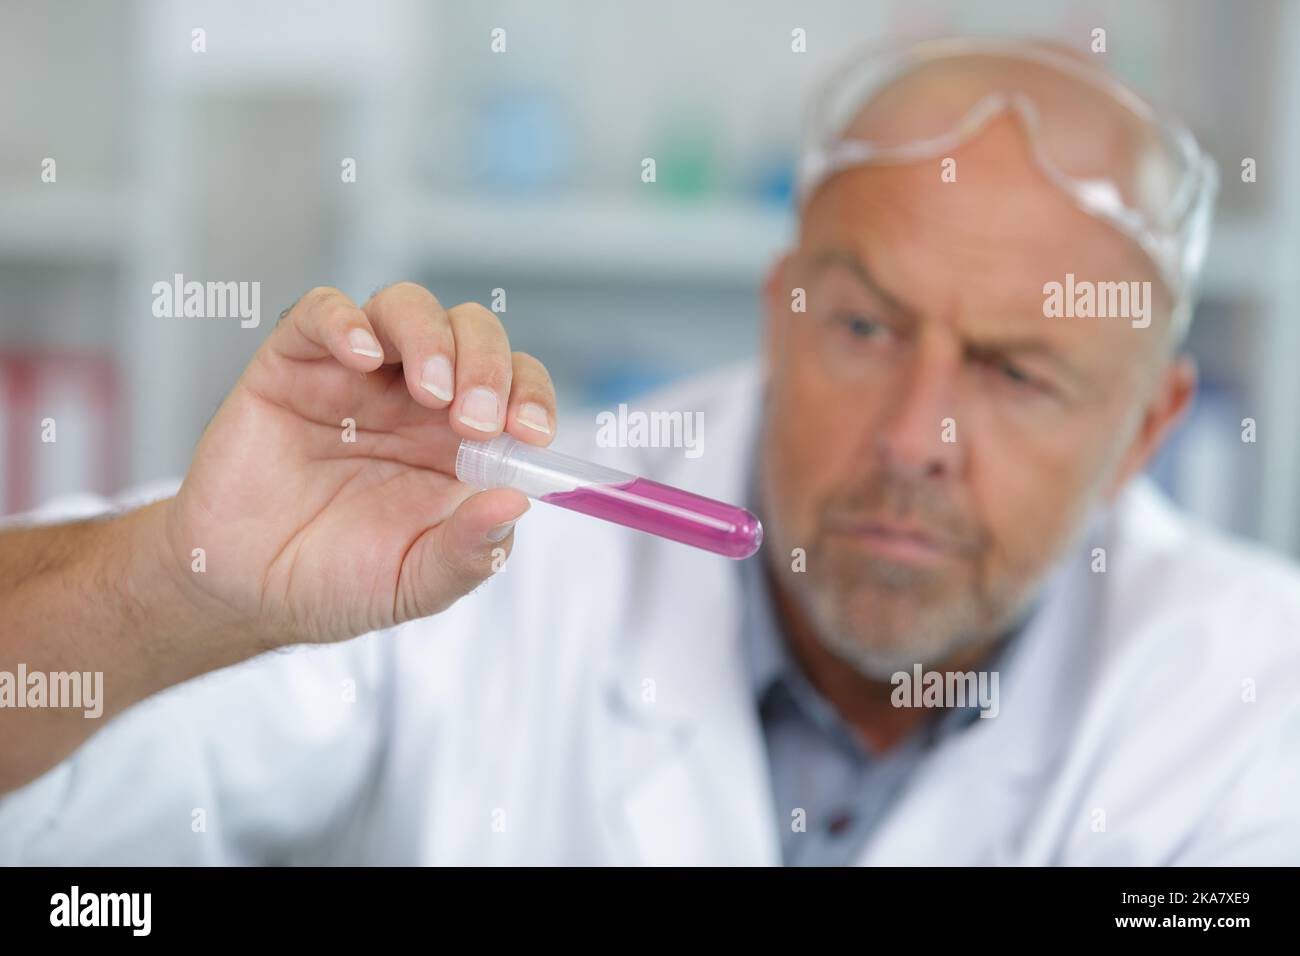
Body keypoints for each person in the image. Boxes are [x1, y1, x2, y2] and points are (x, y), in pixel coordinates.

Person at [2, 37, 1298, 865]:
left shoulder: (1252, 699)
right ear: (781, 304)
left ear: (1148, 427)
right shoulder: (463, 536)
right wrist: (177, 585)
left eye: (1019, 373)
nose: (916, 438)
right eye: (861, 325)